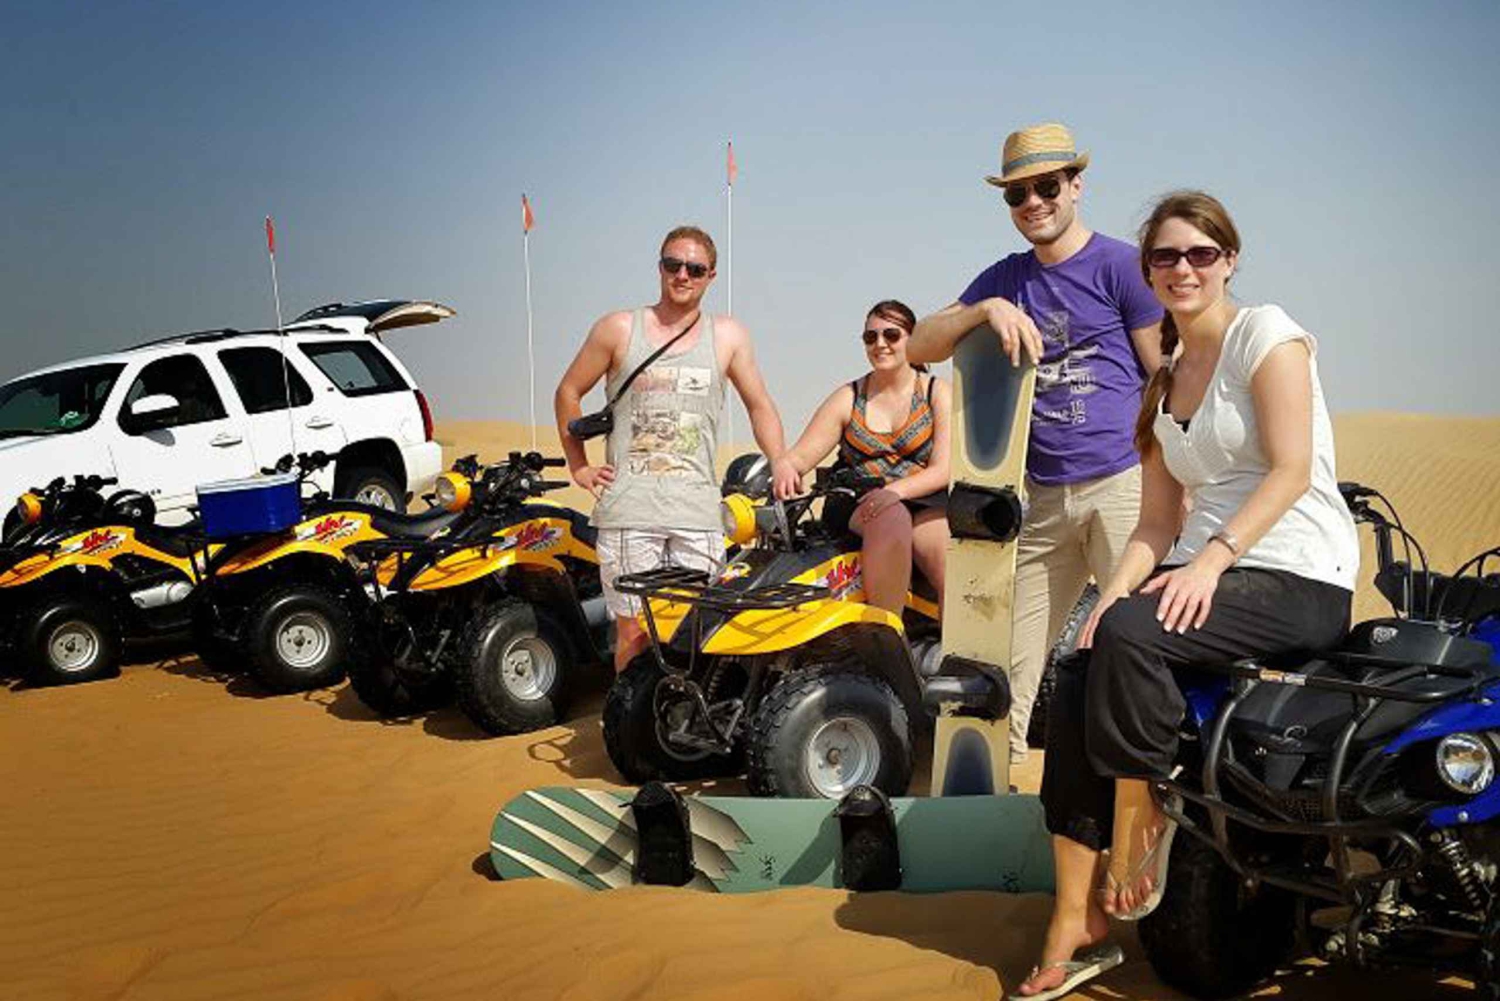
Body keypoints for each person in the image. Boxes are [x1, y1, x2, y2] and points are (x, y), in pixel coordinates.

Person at [1014, 191, 1359, 1000]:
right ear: (1149, 271)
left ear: (1229, 259)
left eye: (1201, 253)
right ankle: (1076, 920)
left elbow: (1292, 468)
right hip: (1209, 573)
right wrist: (1113, 594)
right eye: (1166, 257)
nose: (1183, 269)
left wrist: (1213, 560)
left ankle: (1142, 814)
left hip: (1297, 574)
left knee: (1134, 633)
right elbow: (1158, 521)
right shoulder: (1164, 377)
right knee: (1080, 663)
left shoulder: (1265, 336)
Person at [907, 122, 1164, 765]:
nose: (1033, 204)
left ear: (1076, 185)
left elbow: (1165, 371)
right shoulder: (1007, 278)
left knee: (1140, 651)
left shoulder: (1121, 267)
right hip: (1042, 500)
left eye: (1046, 186)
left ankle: (1153, 809)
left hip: (1124, 488)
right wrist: (983, 311)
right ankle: (1002, 816)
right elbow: (919, 346)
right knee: (1006, 668)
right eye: (1016, 195)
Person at [554, 225, 799, 674]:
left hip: (697, 511)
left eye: (695, 268)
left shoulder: (727, 336)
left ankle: (683, 730)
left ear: (711, 276)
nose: (682, 275)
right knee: (634, 631)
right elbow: (568, 390)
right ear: (660, 267)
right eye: (673, 264)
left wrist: (780, 458)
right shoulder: (618, 328)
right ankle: (629, 728)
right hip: (631, 508)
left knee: (697, 629)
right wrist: (579, 466)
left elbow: (759, 404)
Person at [779, 300, 952, 614]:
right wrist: (787, 467)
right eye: (870, 338)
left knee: (944, 553)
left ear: (912, 339)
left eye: (891, 335)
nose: (880, 344)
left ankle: (954, 653)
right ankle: (885, 638)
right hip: (862, 498)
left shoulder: (936, 392)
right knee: (891, 517)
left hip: (925, 496)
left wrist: (894, 492)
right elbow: (801, 456)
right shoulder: (849, 397)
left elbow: (943, 468)